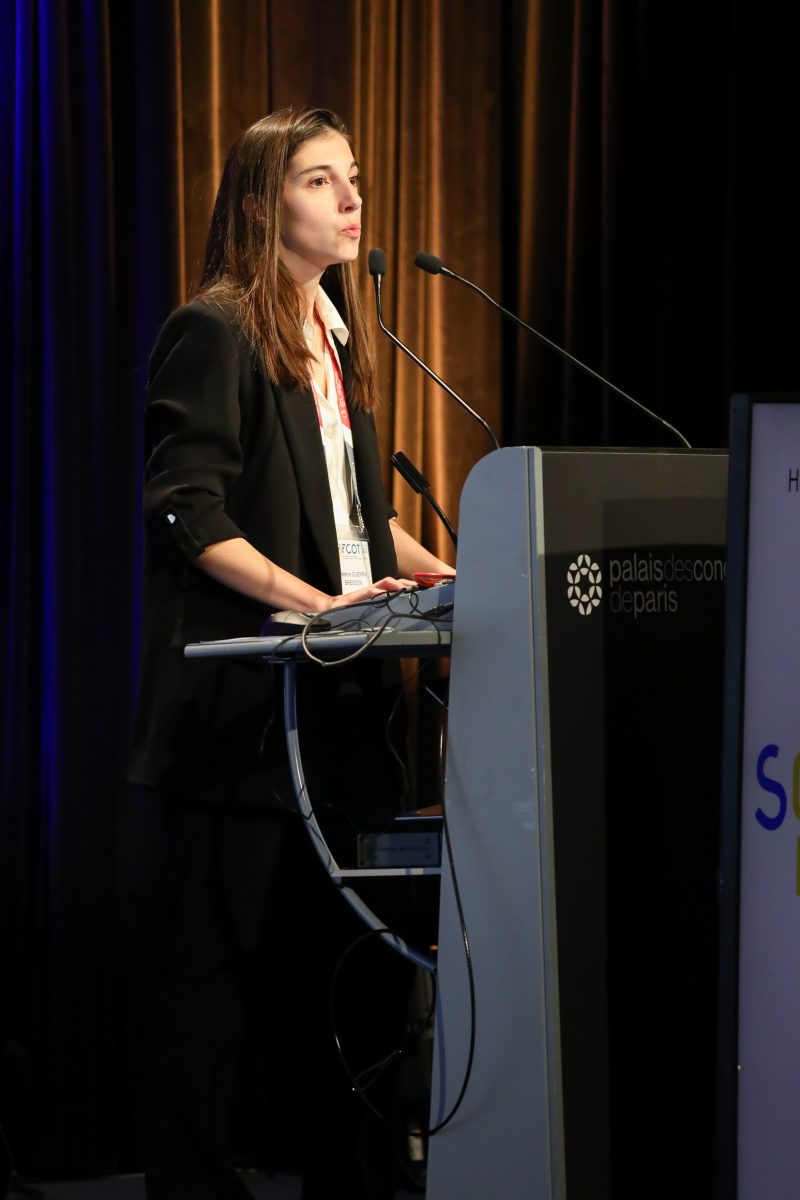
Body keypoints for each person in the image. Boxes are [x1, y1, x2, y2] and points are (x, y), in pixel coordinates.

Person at [128, 107, 454, 1199]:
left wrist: (459, 577)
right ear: (264, 203)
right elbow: (188, 511)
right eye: (321, 180)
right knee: (210, 995)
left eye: (352, 175)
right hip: (240, 720)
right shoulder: (214, 329)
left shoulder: (339, 334)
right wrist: (316, 607)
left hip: (347, 707)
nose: (353, 198)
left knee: (353, 981)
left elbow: (362, 522)